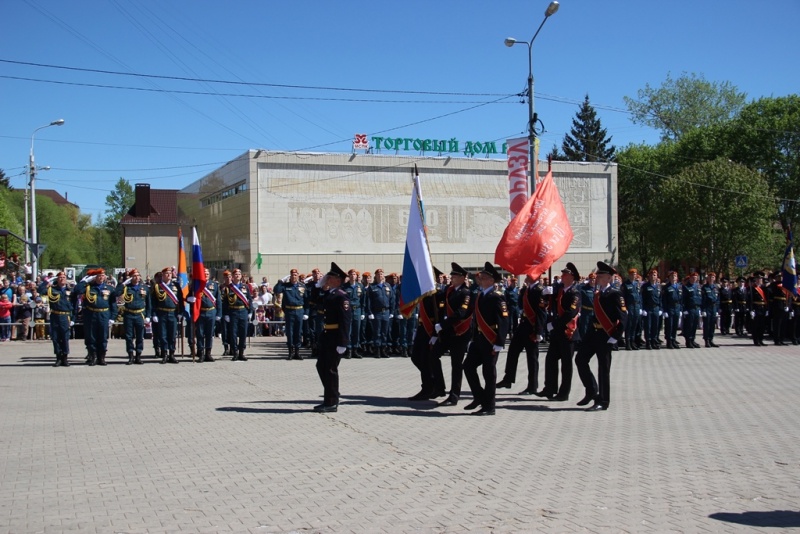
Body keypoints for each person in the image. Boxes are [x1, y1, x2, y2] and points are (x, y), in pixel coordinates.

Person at [575, 261, 628, 411]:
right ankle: (592, 390)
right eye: (597, 275)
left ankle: (603, 401)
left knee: (603, 369)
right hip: (593, 333)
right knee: (580, 359)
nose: (597, 277)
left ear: (609, 278)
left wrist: (615, 336)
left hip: (606, 335)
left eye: (601, 275)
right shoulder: (598, 294)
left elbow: (623, 317)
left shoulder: (615, 294)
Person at [461, 262, 509, 416]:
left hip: (491, 340)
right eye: (480, 277)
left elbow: (504, 321)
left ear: (491, 280)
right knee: (468, 366)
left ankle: (490, 407)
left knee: (488, 373)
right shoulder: (480, 295)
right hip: (479, 339)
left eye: (483, 277)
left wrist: (500, 343)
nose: (480, 279)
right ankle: (479, 397)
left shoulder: (497, 297)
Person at [537, 262, 581, 401]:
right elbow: (548, 302)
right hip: (558, 333)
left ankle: (564, 393)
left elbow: (570, 313)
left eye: (565, 274)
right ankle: (550, 388)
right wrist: (545, 293)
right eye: (562, 274)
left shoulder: (575, 293)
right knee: (550, 360)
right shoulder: (560, 290)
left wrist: (554, 325)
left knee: (566, 365)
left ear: (572, 277)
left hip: (568, 332)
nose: (562, 276)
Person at [496, 273, 546, 395]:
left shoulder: (540, 290)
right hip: (523, 324)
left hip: (532, 327)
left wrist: (539, 331)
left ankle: (532, 386)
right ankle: (508, 379)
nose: (527, 276)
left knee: (532, 357)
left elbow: (541, 312)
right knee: (512, 350)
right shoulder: (526, 289)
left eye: (531, 274)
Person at [313, 262, 353, 413]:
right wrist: (318, 287)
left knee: (330, 369)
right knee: (321, 366)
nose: (327, 279)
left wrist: (343, 342)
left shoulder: (341, 297)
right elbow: (316, 302)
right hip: (327, 336)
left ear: (337, 280)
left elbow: (345, 321)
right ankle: (332, 395)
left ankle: (331, 402)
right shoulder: (331, 294)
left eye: (329, 277)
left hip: (335, 337)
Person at [434, 263, 473, 407]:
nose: (452, 278)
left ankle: (454, 396)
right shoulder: (449, 290)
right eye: (452, 275)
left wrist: (442, 324)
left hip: (460, 333)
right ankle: (439, 387)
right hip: (447, 332)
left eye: (455, 276)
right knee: (433, 355)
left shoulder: (466, 293)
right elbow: (438, 298)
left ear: (462, 278)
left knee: (456, 365)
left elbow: (461, 313)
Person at [408, 267, 446, 400]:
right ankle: (432, 382)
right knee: (416, 358)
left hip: (431, 330)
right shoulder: (424, 292)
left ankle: (429, 387)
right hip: (421, 328)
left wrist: (436, 334)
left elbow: (440, 315)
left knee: (425, 359)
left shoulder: (438, 294)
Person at [74, 268, 117, 365]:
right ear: (94, 277)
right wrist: (85, 281)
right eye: (98, 275)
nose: (101, 277)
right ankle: (92, 356)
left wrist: (112, 317)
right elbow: (77, 290)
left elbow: (113, 303)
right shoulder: (88, 287)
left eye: (103, 275)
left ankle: (101, 357)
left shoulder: (109, 288)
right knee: (91, 336)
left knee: (103, 337)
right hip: (91, 314)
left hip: (104, 314)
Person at [114, 268, 150, 365]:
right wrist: (123, 283)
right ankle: (130, 355)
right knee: (129, 336)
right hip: (129, 314)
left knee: (140, 336)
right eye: (134, 276)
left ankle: (138, 355)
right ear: (130, 277)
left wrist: (148, 315)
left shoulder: (144, 288)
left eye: (138, 275)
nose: (137, 277)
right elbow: (116, 293)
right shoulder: (126, 287)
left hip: (140, 314)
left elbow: (148, 302)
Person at [38, 272, 73, 365]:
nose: (62, 279)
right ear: (57, 279)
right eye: (60, 277)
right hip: (55, 316)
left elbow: (74, 305)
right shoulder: (51, 290)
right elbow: (40, 291)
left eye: (64, 277)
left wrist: (73, 318)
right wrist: (47, 281)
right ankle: (58, 358)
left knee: (65, 338)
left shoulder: (70, 290)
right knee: (55, 337)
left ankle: (65, 357)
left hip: (65, 316)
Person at [151, 266, 184, 364]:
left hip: (173, 313)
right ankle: (164, 354)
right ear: (163, 275)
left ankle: (172, 355)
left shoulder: (176, 286)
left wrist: (181, 313)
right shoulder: (158, 286)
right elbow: (153, 301)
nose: (169, 275)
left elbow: (181, 300)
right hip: (162, 313)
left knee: (172, 335)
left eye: (170, 273)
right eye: (166, 273)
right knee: (163, 335)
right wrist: (154, 314)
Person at [222, 268, 252, 361]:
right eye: (236, 274)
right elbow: (225, 302)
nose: (238, 275)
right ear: (233, 276)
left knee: (243, 333)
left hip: (243, 311)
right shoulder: (228, 288)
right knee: (233, 333)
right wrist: (226, 314)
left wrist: (250, 312)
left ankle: (242, 352)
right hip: (233, 312)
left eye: (239, 274)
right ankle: (235, 352)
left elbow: (249, 299)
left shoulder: (245, 287)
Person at [276, 269, 306, 360]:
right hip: (289, 311)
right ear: (290, 276)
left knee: (299, 332)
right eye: (292, 275)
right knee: (290, 332)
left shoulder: (302, 286)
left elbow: (307, 299)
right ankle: (290, 352)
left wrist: (306, 312)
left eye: (296, 275)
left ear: (298, 276)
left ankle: (297, 352)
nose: (294, 276)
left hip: (299, 311)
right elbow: (276, 290)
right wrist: (281, 281)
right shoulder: (285, 286)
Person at [365, 268, 394, 358]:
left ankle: (383, 350)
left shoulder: (387, 286)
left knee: (385, 332)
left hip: (386, 311)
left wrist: (392, 312)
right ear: (375, 276)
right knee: (377, 332)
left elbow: (392, 300)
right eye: (378, 274)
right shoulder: (372, 287)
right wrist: (370, 312)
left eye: (381, 274)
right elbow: (368, 301)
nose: (380, 275)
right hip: (376, 312)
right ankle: (377, 350)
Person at [195, 268, 221, 361]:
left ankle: (208, 353)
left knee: (210, 334)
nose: (205, 274)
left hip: (211, 311)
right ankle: (201, 353)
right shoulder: (197, 284)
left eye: (207, 273)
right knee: (200, 334)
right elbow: (190, 296)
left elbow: (218, 300)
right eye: (204, 273)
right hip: (200, 312)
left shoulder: (214, 285)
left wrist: (219, 313)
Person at [640, 269, 662, 350]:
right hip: (648, 308)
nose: (653, 276)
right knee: (648, 326)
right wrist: (643, 309)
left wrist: (661, 309)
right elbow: (642, 298)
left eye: (655, 275)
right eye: (652, 275)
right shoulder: (645, 286)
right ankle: (648, 342)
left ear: (657, 276)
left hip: (656, 308)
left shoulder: (659, 286)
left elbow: (661, 298)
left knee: (655, 326)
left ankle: (654, 341)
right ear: (649, 276)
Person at [621, 268, 642, 350]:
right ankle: (628, 342)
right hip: (629, 306)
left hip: (636, 306)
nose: (634, 275)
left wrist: (641, 307)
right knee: (629, 325)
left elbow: (640, 296)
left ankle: (633, 342)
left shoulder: (637, 284)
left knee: (635, 324)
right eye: (632, 274)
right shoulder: (625, 284)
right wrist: (624, 308)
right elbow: (622, 297)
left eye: (635, 274)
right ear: (629, 275)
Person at [661, 271, 682, 349]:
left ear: (677, 277)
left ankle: (673, 340)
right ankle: (669, 342)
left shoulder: (679, 287)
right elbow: (664, 299)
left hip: (677, 307)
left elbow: (681, 299)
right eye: (672, 276)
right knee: (669, 325)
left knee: (675, 325)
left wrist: (681, 309)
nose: (674, 277)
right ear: (669, 277)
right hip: (669, 307)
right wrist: (665, 310)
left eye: (675, 276)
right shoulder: (666, 287)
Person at [768, 271, 790, 345]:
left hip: (785, 306)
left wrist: (788, 306)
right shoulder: (773, 285)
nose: (780, 278)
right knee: (777, 324)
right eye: (778, 276)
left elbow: (789, 296)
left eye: (781, 276)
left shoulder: (786, 285)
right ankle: (776, 340)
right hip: (777, 305)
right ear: (776, 277)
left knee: (784, 324)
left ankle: (781, 339)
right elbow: (769, 294)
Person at [748, 272, 768, 346]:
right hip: (756, 308)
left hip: (763, 308)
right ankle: (756, 340)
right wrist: (751, 310)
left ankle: (761, 339)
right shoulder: (752, 288)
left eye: (761, 279)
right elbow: (750, 300)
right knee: (756, 325)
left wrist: (767, 309)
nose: (760, 280)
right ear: (755, 280)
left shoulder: (764, 288)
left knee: (762, 326)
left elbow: (767, 299)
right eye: (758, 279)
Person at [701, 272, 720, 347]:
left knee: (712, 325)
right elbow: (703, 300)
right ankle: (706, 340)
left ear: (714, 278)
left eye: (713, 277)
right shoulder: (704, 288)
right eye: (710, 277)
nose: (711, 279)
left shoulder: (716, 287)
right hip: (707, 307)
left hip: (714, 307)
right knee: (707, 325)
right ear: (707, 279)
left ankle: (711, 339)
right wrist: (703, 310)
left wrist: (717, 309)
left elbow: (718, 299)